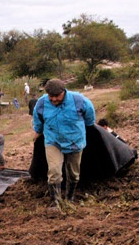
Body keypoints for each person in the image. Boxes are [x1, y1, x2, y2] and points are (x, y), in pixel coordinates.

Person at [32, 78, 95, 208]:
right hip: (53, 141)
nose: (54, 99)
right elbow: (38, 120)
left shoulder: (79, 101)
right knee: (54, 171)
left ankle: (70, 197)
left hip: (75, 141)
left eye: (57, 96)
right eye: (51, 96)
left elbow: (90, 118)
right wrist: (37, 133)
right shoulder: (42, 103)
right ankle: (55, 201)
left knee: (73, 173)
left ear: (63, 92)